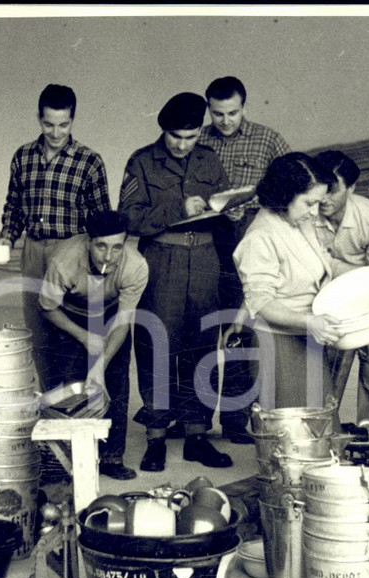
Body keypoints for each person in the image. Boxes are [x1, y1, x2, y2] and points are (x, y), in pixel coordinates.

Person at [118, 92, 234, 473]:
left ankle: (197, 435)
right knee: (157, 345)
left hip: (204, 260)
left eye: (191, 136)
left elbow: (223, 204)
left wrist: (228, 208)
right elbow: (129, 218)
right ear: (163, 130)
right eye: (176, 137)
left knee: (202, 346)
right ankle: (155, 438)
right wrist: (178, 209)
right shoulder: (141, 162)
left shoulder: (210, 159)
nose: (184, 145)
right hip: (162, 261)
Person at [195, 76, 291, 444]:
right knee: (205, 329)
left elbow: (291, 184)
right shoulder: (199, 139)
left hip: (250, 238)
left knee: (243, 332)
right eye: (217, 113)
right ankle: (198, 421)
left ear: (244, 107)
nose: (225, 120)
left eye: (232, 112)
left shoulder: (268, 139)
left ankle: (236, 420)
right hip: (208, 240)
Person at [0, 84, 110, 392]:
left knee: (70, 329)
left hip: (72, 252)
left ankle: (74, 402)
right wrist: (7, 238)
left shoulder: (90, 162)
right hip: (34, 251)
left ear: (73, 120)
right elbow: (14, 205)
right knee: (37, 328)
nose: (56, 132)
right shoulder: (23, 157)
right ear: (39, 118)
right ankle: (50, 401)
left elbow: (102, 220)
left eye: (63, 124)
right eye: (49, 124)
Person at [38, 210, 148, 481]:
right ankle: (64, 460)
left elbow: (123, 322)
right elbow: (47, 308)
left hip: (111, 317)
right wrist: (84, 336)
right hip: (68, 316)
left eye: (117, 247)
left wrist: (99, 367)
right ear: (89, 241)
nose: (108, 256)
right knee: (66, 386)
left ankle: (111, 457)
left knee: (116, 382)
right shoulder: (62, 261)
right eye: (101, 246)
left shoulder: (136, 265)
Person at [232, 153, 344, 411]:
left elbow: (320, 268)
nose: (315, 212)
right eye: (308, 203)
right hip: (278, 343)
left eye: (318, 203)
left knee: (319, 426)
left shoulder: (298, 222)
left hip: (307, 335)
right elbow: (260, 302)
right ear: (285, 195)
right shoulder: (260, 237)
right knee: (292, 431)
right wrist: (309, 322)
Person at [311, 150, 369, 441]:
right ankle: (327, 436)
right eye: (320, 188)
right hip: (323, 300)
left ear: (352, 188)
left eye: (333, 190)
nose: (324, 198)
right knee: (328, 373)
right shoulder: (306, 214)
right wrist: (349, 272)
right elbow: (310, 266)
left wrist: (342, 271)